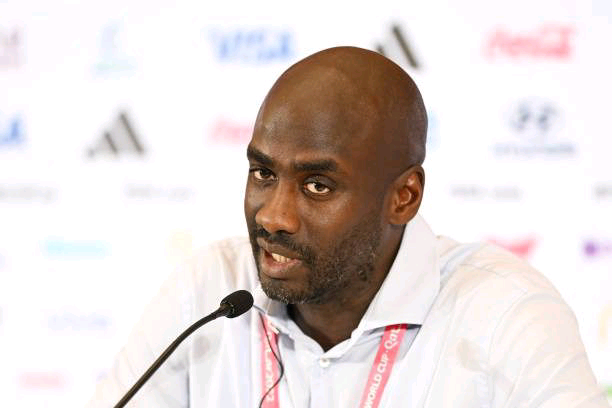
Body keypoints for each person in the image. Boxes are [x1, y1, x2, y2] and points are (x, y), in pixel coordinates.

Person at [86, 46, 609, 407]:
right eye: (263, 173)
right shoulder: (208, 293)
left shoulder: (505, 316)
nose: (273, 216)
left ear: (404, 197)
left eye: (317, 185)